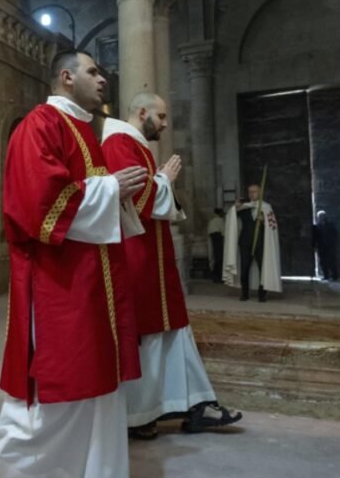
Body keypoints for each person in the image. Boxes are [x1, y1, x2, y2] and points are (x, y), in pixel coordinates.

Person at [0, 49, 146, 478]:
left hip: (93, 277)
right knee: (69, 378)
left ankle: (95, 467)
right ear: (67, 78)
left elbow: (92, 194)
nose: (103, 79)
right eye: (93, 71)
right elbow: (40, 200)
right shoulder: (42, 124)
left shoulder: (86, 130)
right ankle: (9, 463)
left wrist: (114, 192)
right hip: (60, 280)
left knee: (96, 377)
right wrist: (109, 188)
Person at [102, 92, 242, 441]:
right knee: (149, 336)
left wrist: (162, 180)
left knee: (174, 330)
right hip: (138, 256)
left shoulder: (134, 143)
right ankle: (139, 415)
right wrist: (164, 180)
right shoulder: (120, 141)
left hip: (152, 255)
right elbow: (137, 196)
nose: (164, 125)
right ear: (143, 112)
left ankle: (197, 404)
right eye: (161, 117)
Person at [224, 184, 282, 301]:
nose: (252, 194)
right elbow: (232, 216)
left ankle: (262, 294)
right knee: (244, 269)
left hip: (261, 243)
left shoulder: (266, 207)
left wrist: (264, 220)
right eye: (250, 192)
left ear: (260, 193)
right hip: (245, 243)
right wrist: (235, 207)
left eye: (255, 192)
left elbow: (273, 226)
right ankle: (244, 294)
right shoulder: (244, 207)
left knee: (263, 268)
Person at [312, 210, 340, 281]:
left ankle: (334, 276)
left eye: (322, 216)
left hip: (330, 246)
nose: (320, 218)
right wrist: (314, 246)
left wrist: (333, 243)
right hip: (321, 247)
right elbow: (315, 237)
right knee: (323, 262)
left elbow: (335, 235)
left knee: (332, 261)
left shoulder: (330, 225)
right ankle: (326, 275)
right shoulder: (316, 227)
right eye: (319, 217)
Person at [207, 208, 225, 282]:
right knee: (219, 259)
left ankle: (216, 276)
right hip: (219, 240)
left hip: (213, 240)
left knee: (216, 258)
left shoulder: (212, 221)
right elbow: (224, 232)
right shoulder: (220, 220)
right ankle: (218, 277)